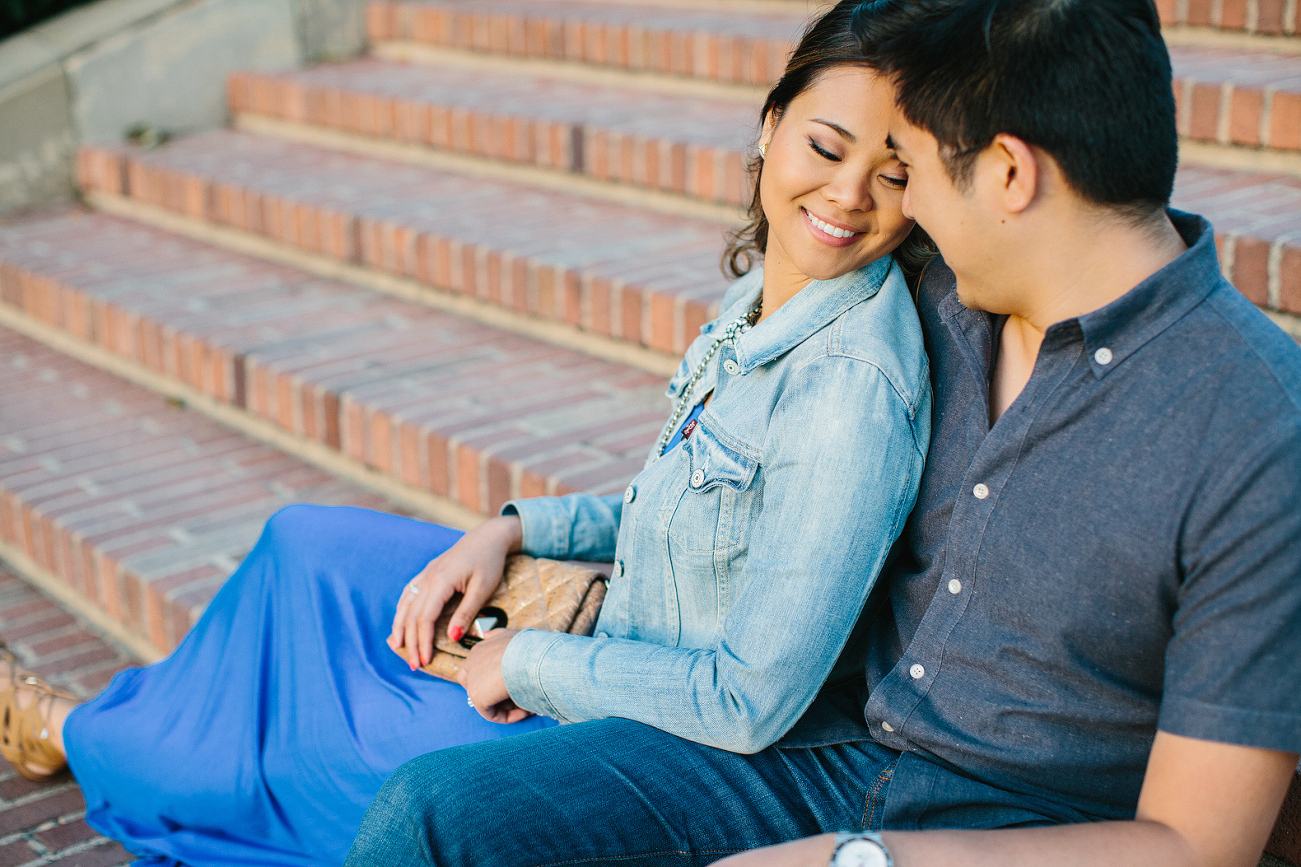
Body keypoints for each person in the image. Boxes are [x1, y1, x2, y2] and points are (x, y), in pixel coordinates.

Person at [344, 1, 1301, 866]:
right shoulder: (942, 299)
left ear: (1008, 173)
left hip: (1017, 831)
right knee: (438, 813)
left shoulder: (1254, 432)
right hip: (824, 750)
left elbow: (1198, 844)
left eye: (911, 171)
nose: (891, 207)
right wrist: (531, 527)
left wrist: (869, 863)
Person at [0, 2, 934, 864]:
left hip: (641, 719)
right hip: (606, 630)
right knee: (306, 544)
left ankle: (84, 730)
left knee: (329, 750)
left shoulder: (849, 386)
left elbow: (749, 698)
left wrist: (523, 656)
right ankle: (147, 726)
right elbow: (704, 506)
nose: (848, 194)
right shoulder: (768, 297)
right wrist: (515, 529)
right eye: (825, 145)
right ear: (770, 127)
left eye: (891, 174)